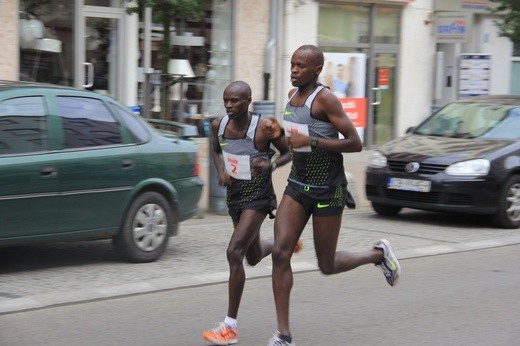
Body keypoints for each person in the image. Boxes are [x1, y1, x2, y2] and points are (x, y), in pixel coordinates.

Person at [266, 45, 401, 346]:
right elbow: (293, 146)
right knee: (279, 253)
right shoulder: (290, 98)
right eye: (292, 64)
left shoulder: (325, 98)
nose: (294, 70)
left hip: (329, 188)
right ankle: (284, 335)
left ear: (316, 70)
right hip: (298, 185)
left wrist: (312, 141)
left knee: (326, 265)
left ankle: (378, 254)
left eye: (301, 66)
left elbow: (356, 143)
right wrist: (274, 159)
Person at [202, 80, 297, 345]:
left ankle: (229, 326)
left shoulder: (265, 127)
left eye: (235, 101)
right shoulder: (217, 125)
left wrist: (271, 164)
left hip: (258, 196)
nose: (230, 105)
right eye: (226, 100)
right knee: (252, 256)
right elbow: (216, 150)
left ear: (248, 101)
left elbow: (288, 152)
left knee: (234, 252)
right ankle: (283, 244)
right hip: (235, 196)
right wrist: (221, 170)